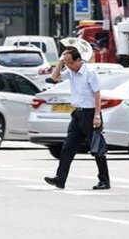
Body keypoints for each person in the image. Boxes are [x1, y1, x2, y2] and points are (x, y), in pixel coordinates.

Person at [44, 47, 110, 190]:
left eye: (70, 63)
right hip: (77, 114)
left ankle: (104, 180)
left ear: (79, 60)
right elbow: (55, 77)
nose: (68, 66)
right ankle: (60, 178)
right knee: (68, 147)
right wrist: (61, 61)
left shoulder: (89, 73)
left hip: (91, 113)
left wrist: (97, 116)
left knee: (96, 148)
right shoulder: (70, 72)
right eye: (66, 64)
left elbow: (98, 95)